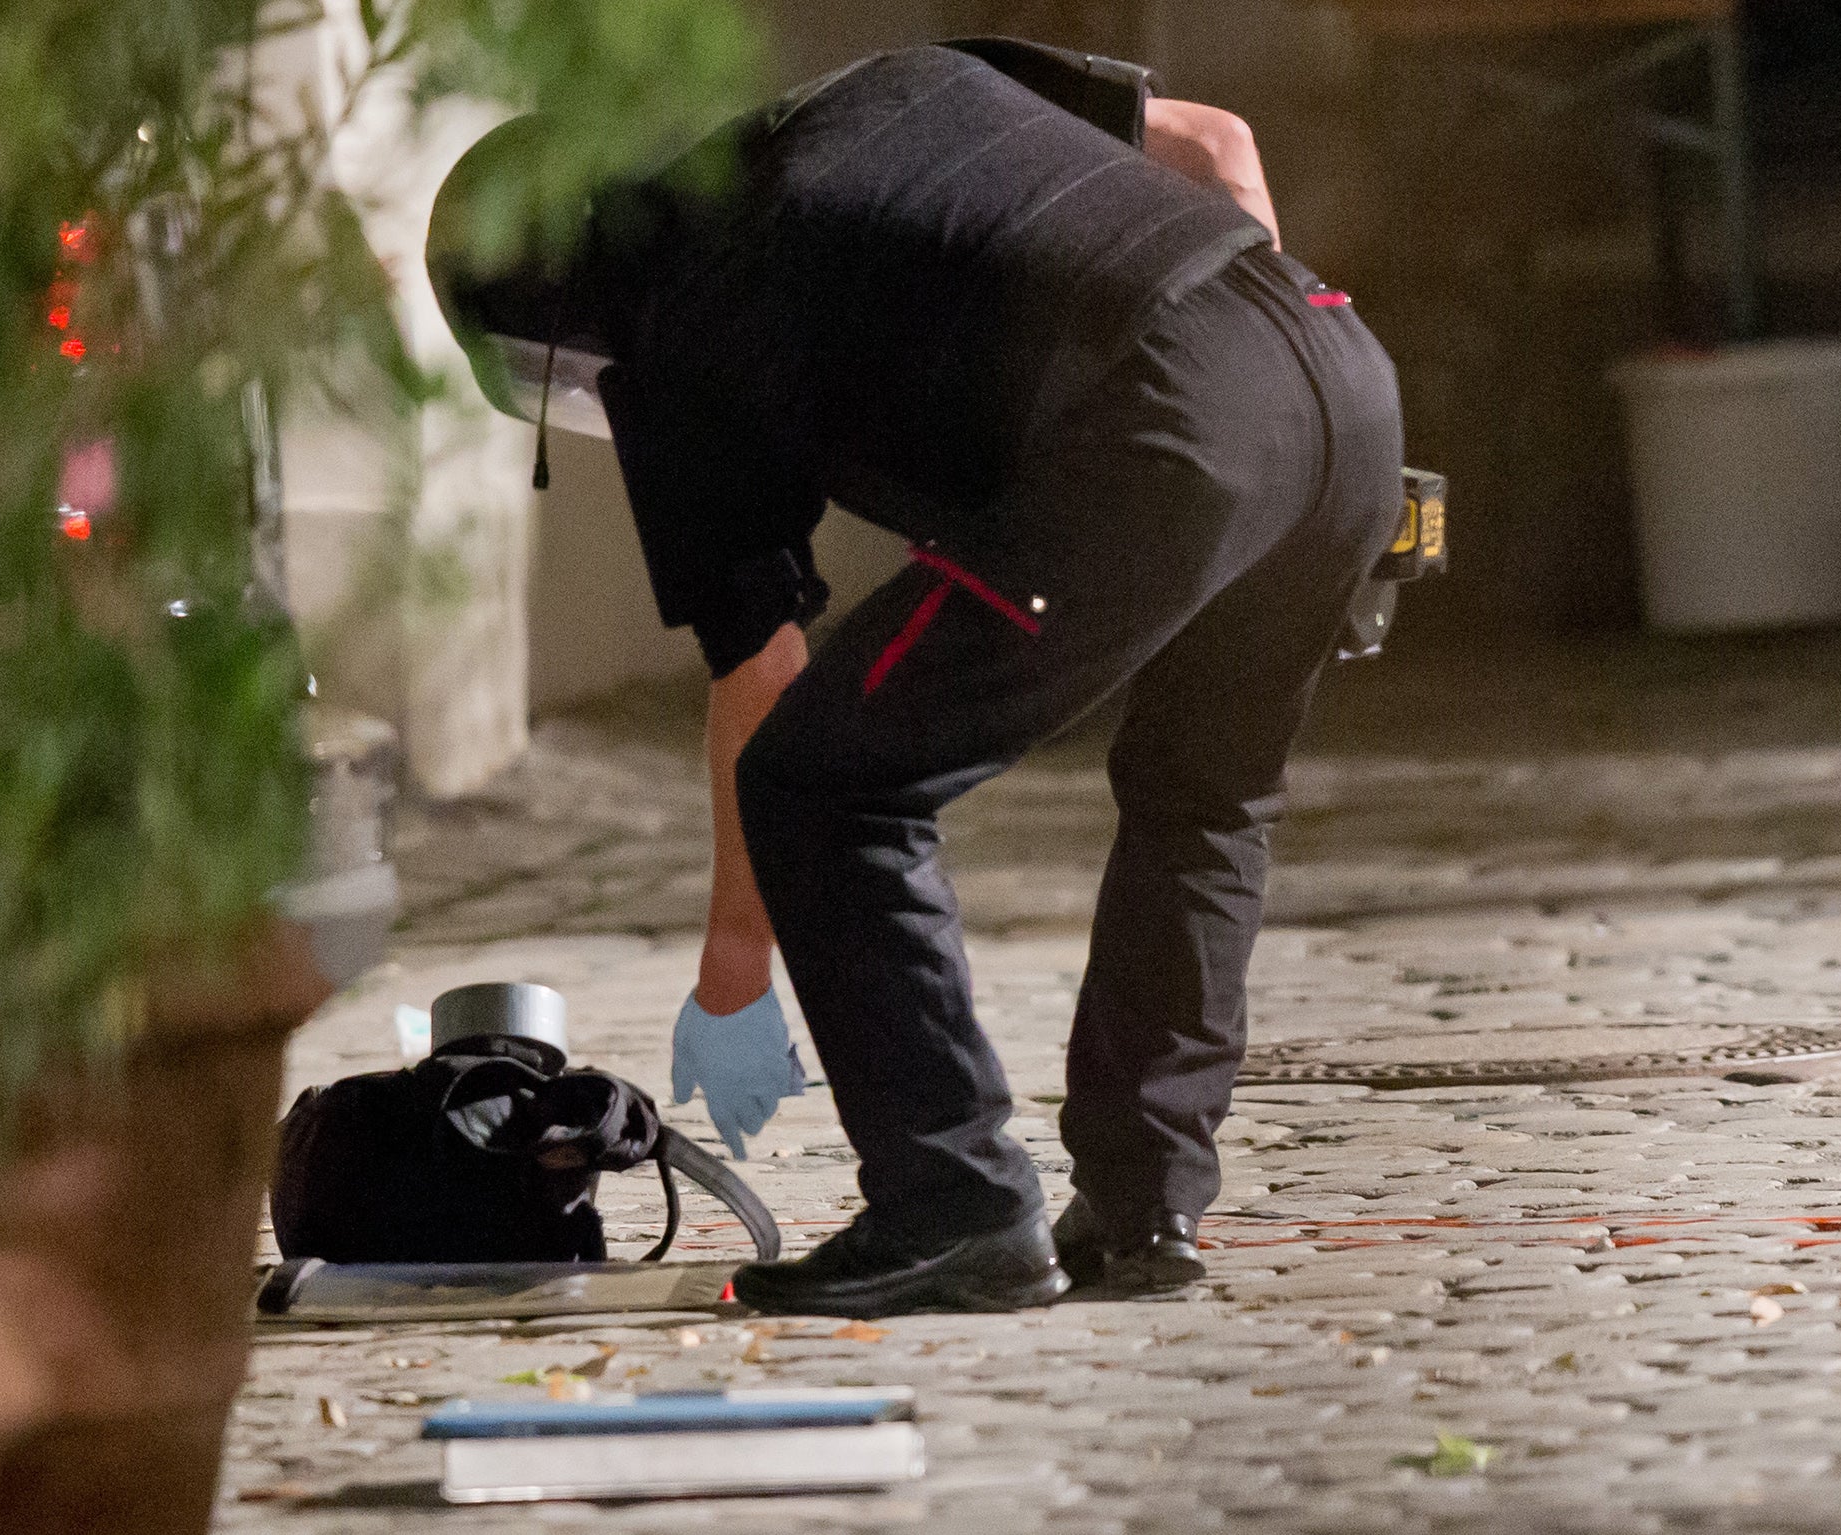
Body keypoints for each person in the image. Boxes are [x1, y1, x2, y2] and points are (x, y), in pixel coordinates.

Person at [428, 38, 1404, 1318]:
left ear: (556, 306)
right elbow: (1217, 148)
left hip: (1168, 418)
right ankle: (1143, 1199)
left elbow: (763, 676)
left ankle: (955, 1205)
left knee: (821, 785)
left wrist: (734, 966)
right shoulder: (893, 82)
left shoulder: (670, 314)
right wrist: (1264, 420)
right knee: (1201, 796)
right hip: (1336, 367)